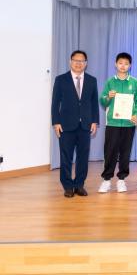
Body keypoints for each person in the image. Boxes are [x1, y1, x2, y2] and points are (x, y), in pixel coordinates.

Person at [51, 50, 99, 198]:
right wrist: (56, 122)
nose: (78, 63)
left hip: (85, 125)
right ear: (70, 62)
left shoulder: (92, 80)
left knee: (83, 157)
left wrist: (95, 121)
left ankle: (79, 185)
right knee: (66, 157)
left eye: (81, 61)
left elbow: (94, 103)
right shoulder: (61, 79)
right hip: (66, 125)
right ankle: (67, 186)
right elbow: (55, 103)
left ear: (86, 63)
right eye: (76, 60)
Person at [98, 52, 137, 193]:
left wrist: (135, 113)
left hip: (129, 124)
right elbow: (103, 101)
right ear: (116, 64)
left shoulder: (134, 83)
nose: (123, 66)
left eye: (126, 63)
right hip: (113, 123)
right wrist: (108, 97)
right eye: (120, 63)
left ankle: (121, 180)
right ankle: (106, 180)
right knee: (110, 152)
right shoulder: (110, 82)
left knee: (125, 152)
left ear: (130, 65)